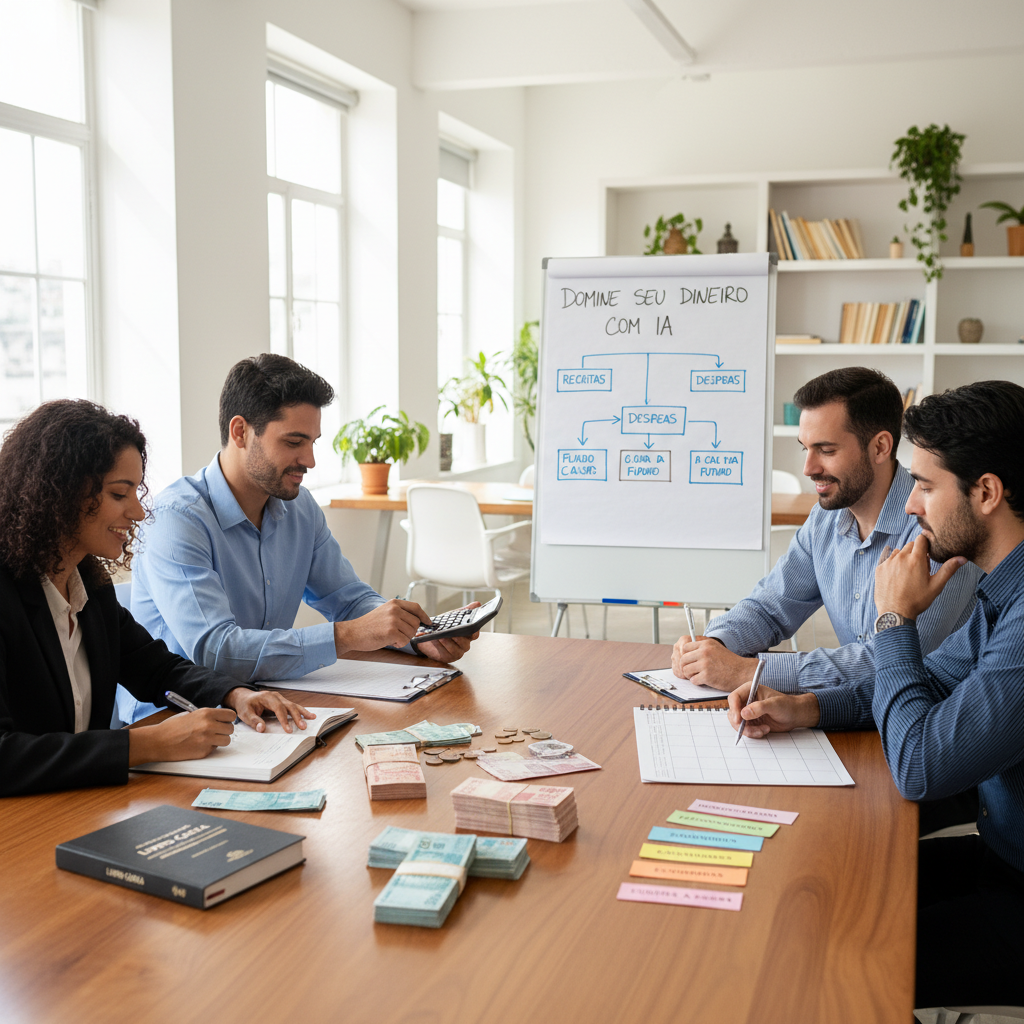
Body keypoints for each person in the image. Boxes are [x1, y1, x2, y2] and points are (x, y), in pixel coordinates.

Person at [731, 380, 1024, 1009]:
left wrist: (894, 622)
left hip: (1017, 894)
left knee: (836, 964)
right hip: (999, 859)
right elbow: (934, 680)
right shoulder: (1001, 587)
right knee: (822, 901)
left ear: (987, 493)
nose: (911, 504)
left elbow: (921, 768)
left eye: (924, 484)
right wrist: (807, 708)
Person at [127, 355, 477, 721]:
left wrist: (417, 637)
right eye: (294, 442)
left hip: (267, 707)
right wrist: (347, 636)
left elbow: (347, 599)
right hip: (176, 720)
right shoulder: (175, 519)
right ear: (240, 432)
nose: (309, 460)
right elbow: (217, 651)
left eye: (312, 442)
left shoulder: (298, 507)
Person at [0, 400, 311, 798]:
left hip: (78, 804)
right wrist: (146, 744)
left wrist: (236, 694)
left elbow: (157, 670)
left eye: (137, 491)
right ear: (58, 494)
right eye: (119, 494)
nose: (137, 511)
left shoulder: (88, 586)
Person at [671, 368, 980, 706]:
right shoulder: (826, 517)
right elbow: (772, 605)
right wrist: (715, 645)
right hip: (854, 715)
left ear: (880, 446)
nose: (808, 468)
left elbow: (891, 663)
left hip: (932, 725)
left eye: (826, 450)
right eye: (805, 448)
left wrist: (750, 671)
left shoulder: (938, 530)